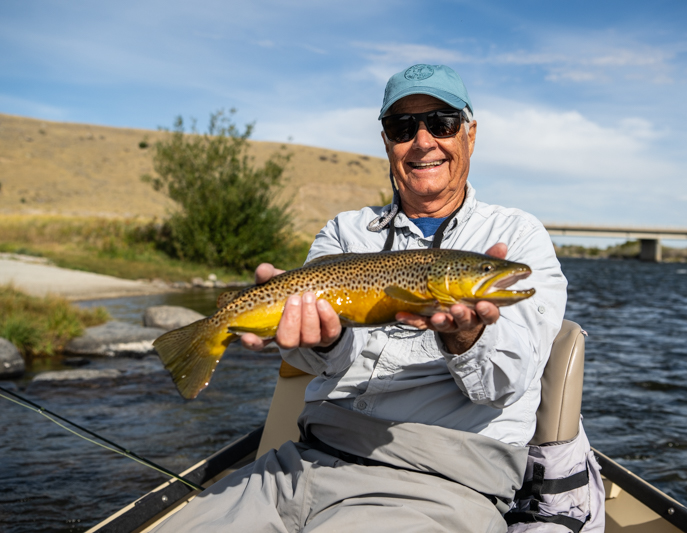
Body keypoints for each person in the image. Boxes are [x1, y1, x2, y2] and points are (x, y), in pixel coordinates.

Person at [152, 64, 601, 533]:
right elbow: (312, 362)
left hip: (439, 481)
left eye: (442, 122)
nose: (423, 140)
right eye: (403, 127)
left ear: (470, 134)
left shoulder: (517, 234)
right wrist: (321, 342)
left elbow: (505, 384)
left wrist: (466, 337)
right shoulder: (344, 232)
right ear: (387, 142)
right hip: (300, 464)